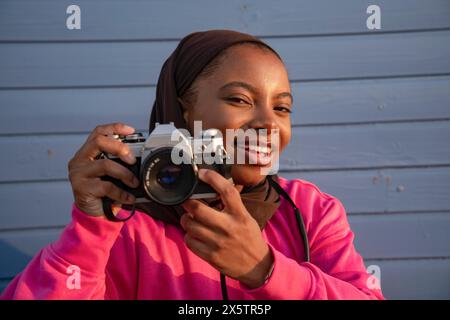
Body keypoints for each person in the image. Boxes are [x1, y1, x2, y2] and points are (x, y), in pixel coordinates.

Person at [1, 30, 384, 300]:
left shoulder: (312, 211)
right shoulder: (126, 222)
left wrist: (265, 269)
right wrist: (89, 230)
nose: (269, 123)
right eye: (240, 99)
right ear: (184, 107)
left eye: (282, 107)